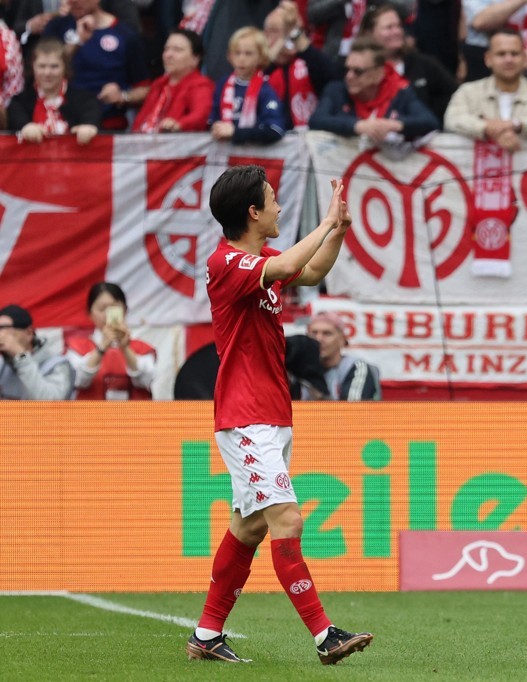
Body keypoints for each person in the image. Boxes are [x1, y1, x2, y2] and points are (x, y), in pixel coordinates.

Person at [187, 165, 373, 664]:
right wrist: (327, 219)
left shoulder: (260, 258)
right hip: (245, 416)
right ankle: (325, 634)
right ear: (252, 211)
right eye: (273, 199)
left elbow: (310, 271)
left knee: (249, 527)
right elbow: (293, 261)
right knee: (287, 517)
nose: (280, 207)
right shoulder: (226, 262)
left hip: (270, 414)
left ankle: (206, 636)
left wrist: (337, 229)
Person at [309, 36, 439, 156]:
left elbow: (429, 121)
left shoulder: (400, 92)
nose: (349, 76)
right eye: (347, 69)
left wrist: (394, 125)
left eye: (358, 72)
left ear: (378, 74)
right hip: (341, 177)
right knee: (335, 182)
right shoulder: (336, 90)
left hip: (386, 177)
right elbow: (316, 120)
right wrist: (358, 126)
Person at [444, 29, 527, 152]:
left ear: (524, 58)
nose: (508, 60)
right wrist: (487, 128)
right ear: (488, 59)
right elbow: (452, 119)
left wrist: (516, 124)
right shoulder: (467, 92)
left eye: (514, 54)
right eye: (501, 54)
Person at [42, 0, 149, 131]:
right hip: (61, 123)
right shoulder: (56, 27)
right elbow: (43, 70)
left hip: (108, 126)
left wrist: (122, 96)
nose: (73, 2)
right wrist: (77, 42)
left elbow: (144, 89)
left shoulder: (125, 35)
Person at [358, 2, 457, 124]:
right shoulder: (357, 66)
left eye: (399, 26)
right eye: (389, 27)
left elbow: (455, 96)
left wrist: (430, 115)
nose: (397, 32)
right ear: (369, 33)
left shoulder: (424, 64)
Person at [64, 282, 156, 400]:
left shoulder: (142, 349)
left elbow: (146, 380)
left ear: (125, 310)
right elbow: (78, 381)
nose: (108, 315)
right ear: (89, 313)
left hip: (133, 417)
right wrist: (102, 347)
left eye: (114, 308)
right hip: (92, 417)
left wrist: (126, 349)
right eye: (102, 309)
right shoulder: (77, 348)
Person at [6, 37, 100, 144]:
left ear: (65, 68)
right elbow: (15, 121)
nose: (47, 73)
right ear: (33, 67)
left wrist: (89, 126)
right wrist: (25, 126)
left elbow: (91, 118)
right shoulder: (19, 102)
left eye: (54, 66)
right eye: (42, 66)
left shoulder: (85, 100)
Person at [263, 1, 334, 131]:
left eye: (274, 31)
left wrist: (295, 35)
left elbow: (331, 77)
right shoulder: (261, 67)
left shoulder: (310, 62)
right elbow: (254, 78)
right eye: (266, 32)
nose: (267, 37)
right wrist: (278, 44)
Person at [209, 27, 287, 145]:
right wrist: (215, 126)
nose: (241, 59)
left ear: (261, 57)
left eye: (248, 54)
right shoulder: (223, 84)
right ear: (229, 56)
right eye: (237, 53)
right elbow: (213, 117)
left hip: (254, 160)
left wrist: (237, 133)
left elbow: (275, 130)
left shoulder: (265, 89)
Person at [132, 29, 214, 133]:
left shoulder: (201, 85)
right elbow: (141, 119)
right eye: (166, 49)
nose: (168, 55)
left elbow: (201, 115)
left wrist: (179, 124)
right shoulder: (159, 84)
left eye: (177, 50)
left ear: (195, 59)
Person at [0, 304, 75, 400]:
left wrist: (21, 356)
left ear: (28, 333)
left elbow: (52, 403)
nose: (2, 336)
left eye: (5, 329)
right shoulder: (3, 363)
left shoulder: (56, 365)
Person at [304, 312, 382, 401]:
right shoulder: (298, 369)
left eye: (327, 333)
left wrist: (321, 400)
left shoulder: (357, 367)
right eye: (314, 333)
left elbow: (351, 412)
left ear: (342, 339)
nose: (318, 339)